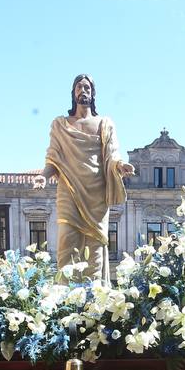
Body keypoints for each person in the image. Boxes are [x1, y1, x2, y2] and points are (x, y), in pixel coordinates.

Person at [31, 73, 134, 281]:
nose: (83, 90)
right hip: (68, 189)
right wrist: (44, 176)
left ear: (93, 94)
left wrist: (120, 165)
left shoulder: (105, 124)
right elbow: (53, 157)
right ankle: (63, 299)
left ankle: (94, 300)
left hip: (96, 194)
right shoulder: (60, 125)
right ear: (73, 93)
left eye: (87, 87)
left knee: (94, 247)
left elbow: (112, 154)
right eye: (79, 87)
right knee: (66, 242)